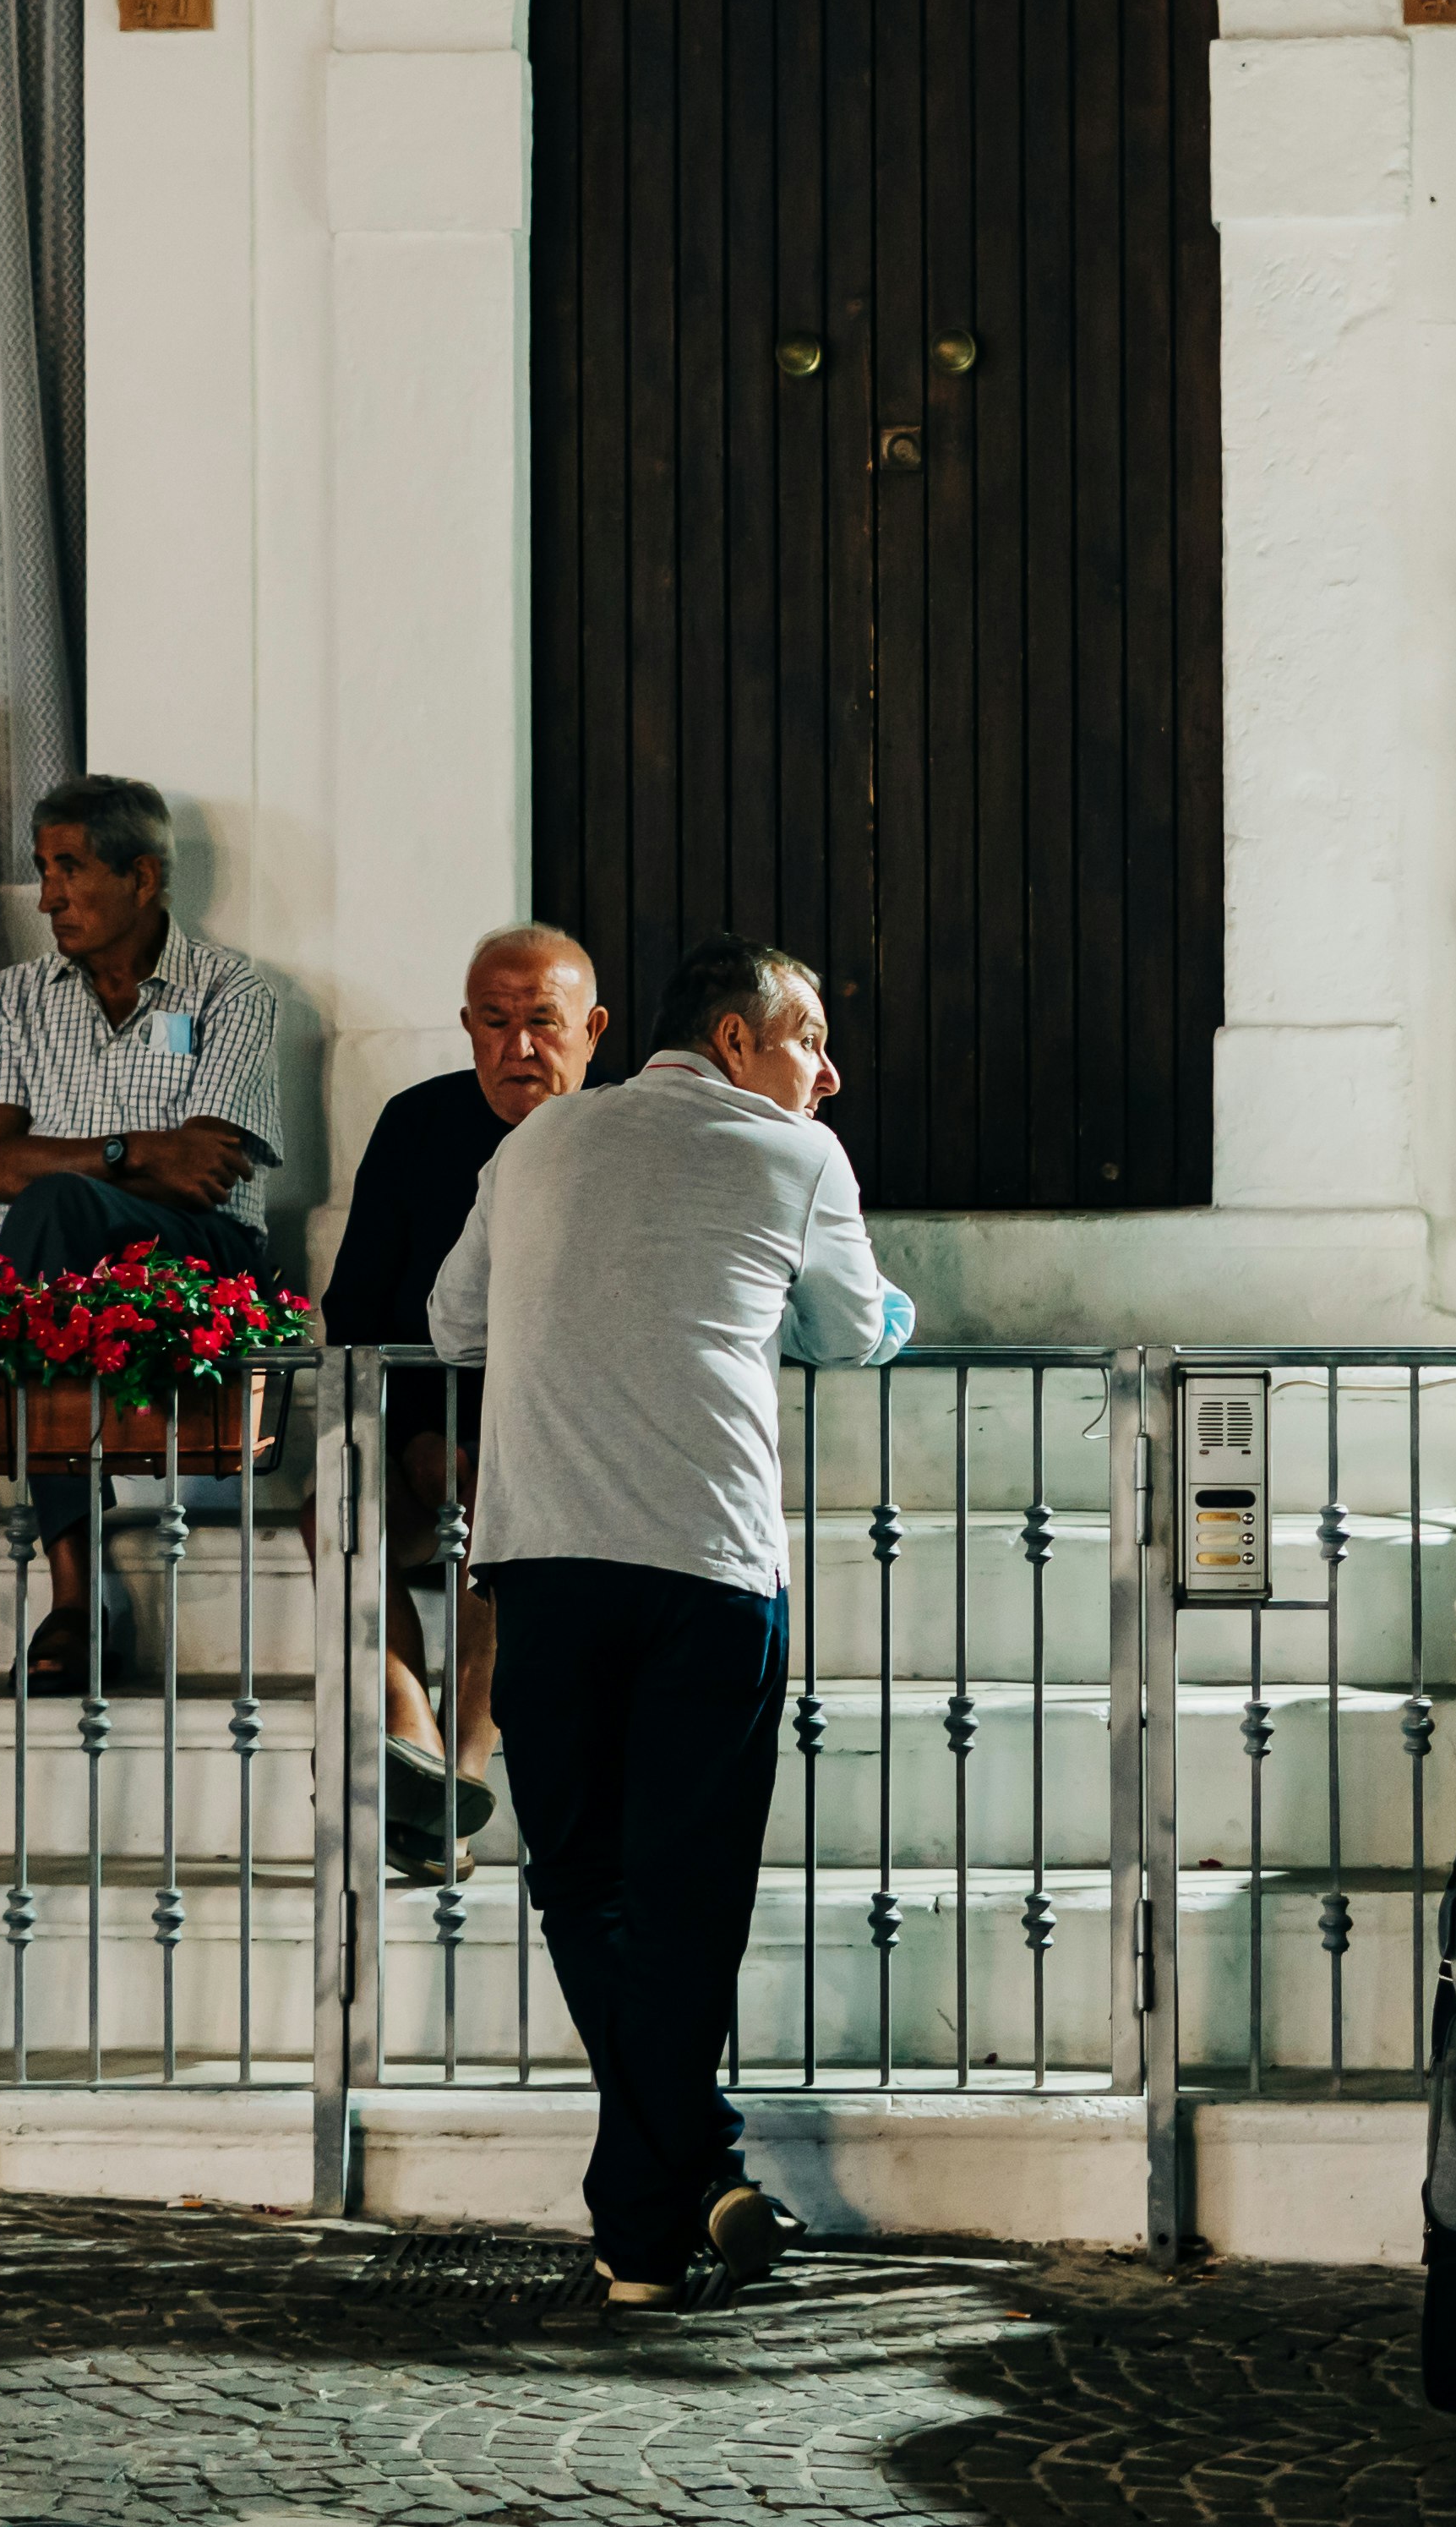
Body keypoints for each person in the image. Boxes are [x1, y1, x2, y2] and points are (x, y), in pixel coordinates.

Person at [429, 932, 912, 2310]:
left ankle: (653, 2218)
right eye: (808, 1037)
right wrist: (893, 1313)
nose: (829, 1068)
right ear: (734, 1040)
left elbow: (454, 1321)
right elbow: (847, 1327)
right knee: (691, 1895)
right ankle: (690, 2173)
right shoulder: (794, 1156)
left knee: (583, 1881)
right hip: (709, 1565)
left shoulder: (533, 1150)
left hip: (545, 1563)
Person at [0, 773, 286, 1688]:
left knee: (47, 1216)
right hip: (64, 1266)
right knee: (53, 1226)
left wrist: (64, 1165)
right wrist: (130, 1149)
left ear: (143, 878)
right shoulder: (13, 998)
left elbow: (206, 1174)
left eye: (70, 868)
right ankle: (75, 1591)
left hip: (205, 1255)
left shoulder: (230, 989)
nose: (46, 895)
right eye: (41, 869)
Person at [319, 925, 609, 1879]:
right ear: (466, 1027)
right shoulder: (417, 1123)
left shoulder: (620, 1140)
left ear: (592, 1031)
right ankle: (412, 1722)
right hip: (415, 1406)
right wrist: (402, 1432)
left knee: (506, 1499)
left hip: (558, 1429)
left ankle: (460, 1773)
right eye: (494, 1023)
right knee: (339, 1491)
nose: (517, 1048)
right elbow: (356, 1302)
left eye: (542, 1024)